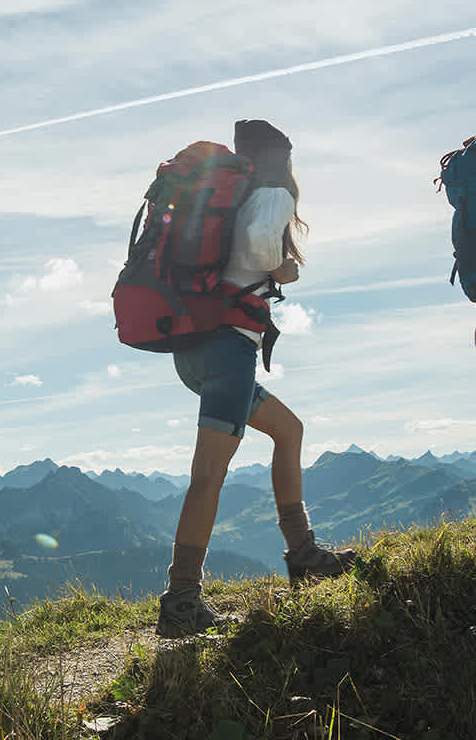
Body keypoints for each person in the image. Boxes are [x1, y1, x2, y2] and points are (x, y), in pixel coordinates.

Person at [157, 119, 355, 638]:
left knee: (289, 431)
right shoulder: (272, 193)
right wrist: (283, 267)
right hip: (228, 349)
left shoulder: (230, 193)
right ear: (282, 159)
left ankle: (303, 553)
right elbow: (258, 245)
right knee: (209, 476)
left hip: (197, 348)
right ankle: (181, 599)